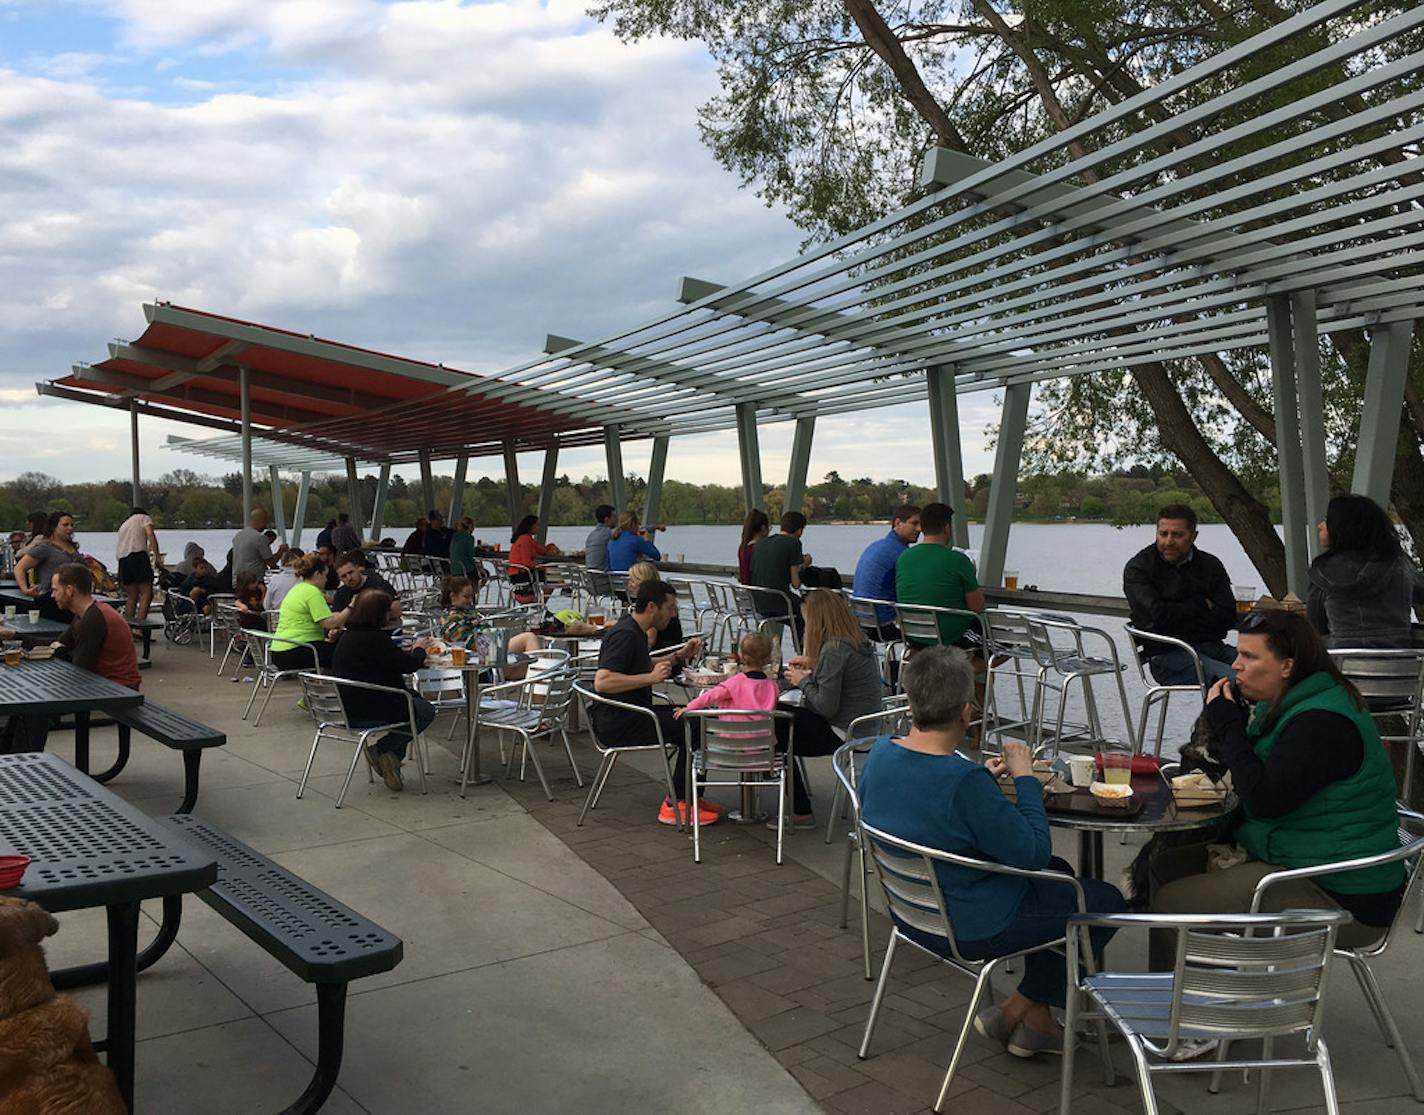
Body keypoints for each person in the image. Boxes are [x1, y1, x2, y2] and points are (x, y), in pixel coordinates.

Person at [858, 646, 1126, 1058]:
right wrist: (1025, 778)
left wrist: (983, 779)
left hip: (912, 912)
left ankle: (1033, 1021)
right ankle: (1018, 1007)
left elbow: (927, 804)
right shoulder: (962, 782)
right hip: (970, 923)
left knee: (1062, 873)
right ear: (967, 711)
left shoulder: (881, 753)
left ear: (912, 702)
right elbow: (1033, 852)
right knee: (1104, 901)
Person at [1149, 609, 1406, 968]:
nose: (1236, 666)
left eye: (1250, 657)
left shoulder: (1321, 723)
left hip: (1343, 896)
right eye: (1237, 654)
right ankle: (1202, 987)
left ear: (1287, 666)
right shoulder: (1294, 704)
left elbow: (1265, 801)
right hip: (1310, 861)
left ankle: (1189, 1012)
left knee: (1173, 902)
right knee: (1165, 866)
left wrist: (1229, 726)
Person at [593, 579, 719, 827]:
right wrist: (650, 679)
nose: (673, 615)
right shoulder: (625, 635)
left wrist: (679, 656)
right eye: (670, 608)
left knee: (698, 714)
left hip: (632, 714)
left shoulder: (635, 631)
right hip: (620, 722)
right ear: (652, 606)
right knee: (696, 725)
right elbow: (603, 682)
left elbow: (641, 664)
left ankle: (689, 797)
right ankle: (678, 804)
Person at [1, 563, 143, 755]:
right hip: (102, 682)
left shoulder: (93, 620)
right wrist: (12, 635)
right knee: (25, 703)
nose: (52, 595)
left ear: (70, 590)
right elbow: (55, 644)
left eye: (55, 590)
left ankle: (23, 765)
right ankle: (9, 760)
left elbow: (80, 672)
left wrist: (48, 674)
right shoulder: (86, 614)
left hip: (118, 689)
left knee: (35, 708)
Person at [778, 589, 883, 825]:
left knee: (772, 724)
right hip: (864, 728)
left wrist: (802, 681)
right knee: (778, 720)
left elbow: (826, 707)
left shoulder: (834, 649)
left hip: (842, 732)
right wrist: (814, 665)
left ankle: (801, 811)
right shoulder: (856, 640)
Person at [331, 589, 435, 792]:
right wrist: (420, 649)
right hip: (373, 709)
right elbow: (408, 666)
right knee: (424, 711)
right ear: (378, 614)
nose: (391, 615)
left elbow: (385, 661)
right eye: (387, 611)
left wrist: (403, 654)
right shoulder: (376, 639)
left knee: (413, 704)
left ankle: (392, 761)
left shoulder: (348, 637)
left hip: (348, 708)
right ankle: (383, 750)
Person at [1124, 503, 1237, 685]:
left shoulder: (1210, 565)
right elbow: (1156, 617)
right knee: (1240, 681)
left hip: (1212, 646)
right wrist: (1201, 605)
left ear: (1193, 536)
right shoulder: (1139, 568)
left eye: (1177, 535)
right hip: (1167, 656)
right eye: (1163, 534)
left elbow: (1227, 614)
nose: (1169, 541)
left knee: (1276, 671)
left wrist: (1176, 615)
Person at [1307, 494, 1424, 649]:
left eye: (1327, 520)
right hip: (1400, 667)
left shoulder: (1323, 571)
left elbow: (1316, 626)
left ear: (1342, 526)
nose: (1320, 525)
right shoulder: (1399, 565)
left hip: (1343, 666)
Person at [894, 502, 983, 648]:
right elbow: (977, 607)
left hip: (913, 635)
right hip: (949, 636)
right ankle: (960, 670)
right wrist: (971, 575)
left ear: (923, 528)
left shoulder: (904, 557)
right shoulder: (959, 560)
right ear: (947, 528)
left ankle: (923, 667)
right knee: (1006, 640)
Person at [852, 504, 922, 639]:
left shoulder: (877, 545)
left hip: (862, 621)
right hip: (884, 624)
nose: (919, 529)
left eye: (921, 524)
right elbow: (916, 591)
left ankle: (909, 659)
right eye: (914, 523)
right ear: (898, 523)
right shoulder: (902, 554)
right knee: (935, 632)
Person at [271, 554, 348, 670]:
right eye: (325, 576)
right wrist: (351, 607)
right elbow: (330, 624)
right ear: (318, 574)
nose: (326, 580)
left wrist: (338, 615)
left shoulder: (298, 589)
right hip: (298, 650)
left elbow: (320, 617)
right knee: (346, 653)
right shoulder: (312, 592)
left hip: (280, 650)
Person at [677, 632, 778, 719]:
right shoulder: (773, 687)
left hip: (731, 737)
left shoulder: (735, 682)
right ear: (768, 659)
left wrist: (689, 707)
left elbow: (710, 696)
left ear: (742, 656)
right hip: (763, 739)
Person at [626, 561, 702, 668]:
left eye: (632, 580)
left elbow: (650, 640)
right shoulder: (663, 602)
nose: (629, 584)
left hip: (661, 658)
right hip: (670, 656)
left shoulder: (652, 609)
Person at [750, 511, 810, 636]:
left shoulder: (761, 544)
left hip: (758, 603)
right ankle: (804, 650)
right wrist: (804, 565)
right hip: (780, 602)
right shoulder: (793, 543)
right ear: (800, 530)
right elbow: (796, 584)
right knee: (811, 614)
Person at [13, 512, 81, 621]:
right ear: (54, 527)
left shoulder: (72, 547)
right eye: (65, 525)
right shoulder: (45, 548)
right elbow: (19, 568)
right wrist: (25, 590)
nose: (70, 528)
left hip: (72, 598)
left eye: (72, 525)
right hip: (51, 599)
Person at [113, 507, 159, 620]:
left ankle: (128, 627)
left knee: (132, 595)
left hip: (123, 560)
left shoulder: (124, 525)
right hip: (138, 556)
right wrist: (157, 555)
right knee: (146, 593)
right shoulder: (144, 518)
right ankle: (140, 627)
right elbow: (150, 534)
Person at [331, 550, 397, 613]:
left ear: (357, 568)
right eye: (344, 576)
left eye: (351, 572)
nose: (349, 578)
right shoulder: (341, 594)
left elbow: (396, 608)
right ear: (340, 579)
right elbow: (336, 617)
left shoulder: (378, 584)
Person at [232, 508, 287, 582]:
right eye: (265, 522)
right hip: (254, 583)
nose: (265, 526)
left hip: (238, 581)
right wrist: (281, 551)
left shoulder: (238, 536)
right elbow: (271, 562)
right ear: (261, 521)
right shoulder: (260, 538)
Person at [508, 515, 560, 585]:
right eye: (537, 525)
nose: (539, 527)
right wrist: (541, 567)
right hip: (520, 574)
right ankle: (564, 589)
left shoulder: (528, 539)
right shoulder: (525, 539)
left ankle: (563, 589)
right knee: (552, 573)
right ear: (531, 526)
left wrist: (552, 546)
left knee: (552, 572)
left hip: (522, 572)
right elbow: (526, 562)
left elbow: (542, 550)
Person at [737, 509, 770, 585]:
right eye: (769, 528)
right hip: (759, 593)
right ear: (763, 528)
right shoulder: (760, 550)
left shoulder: (743, 548)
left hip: (747, 592)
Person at [584, 505, 619, 575]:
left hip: (590, 577)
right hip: (602, 578)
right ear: (607, 519)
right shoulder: (608, 533)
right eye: (614, 517)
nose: (617, 520)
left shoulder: (591, 535)